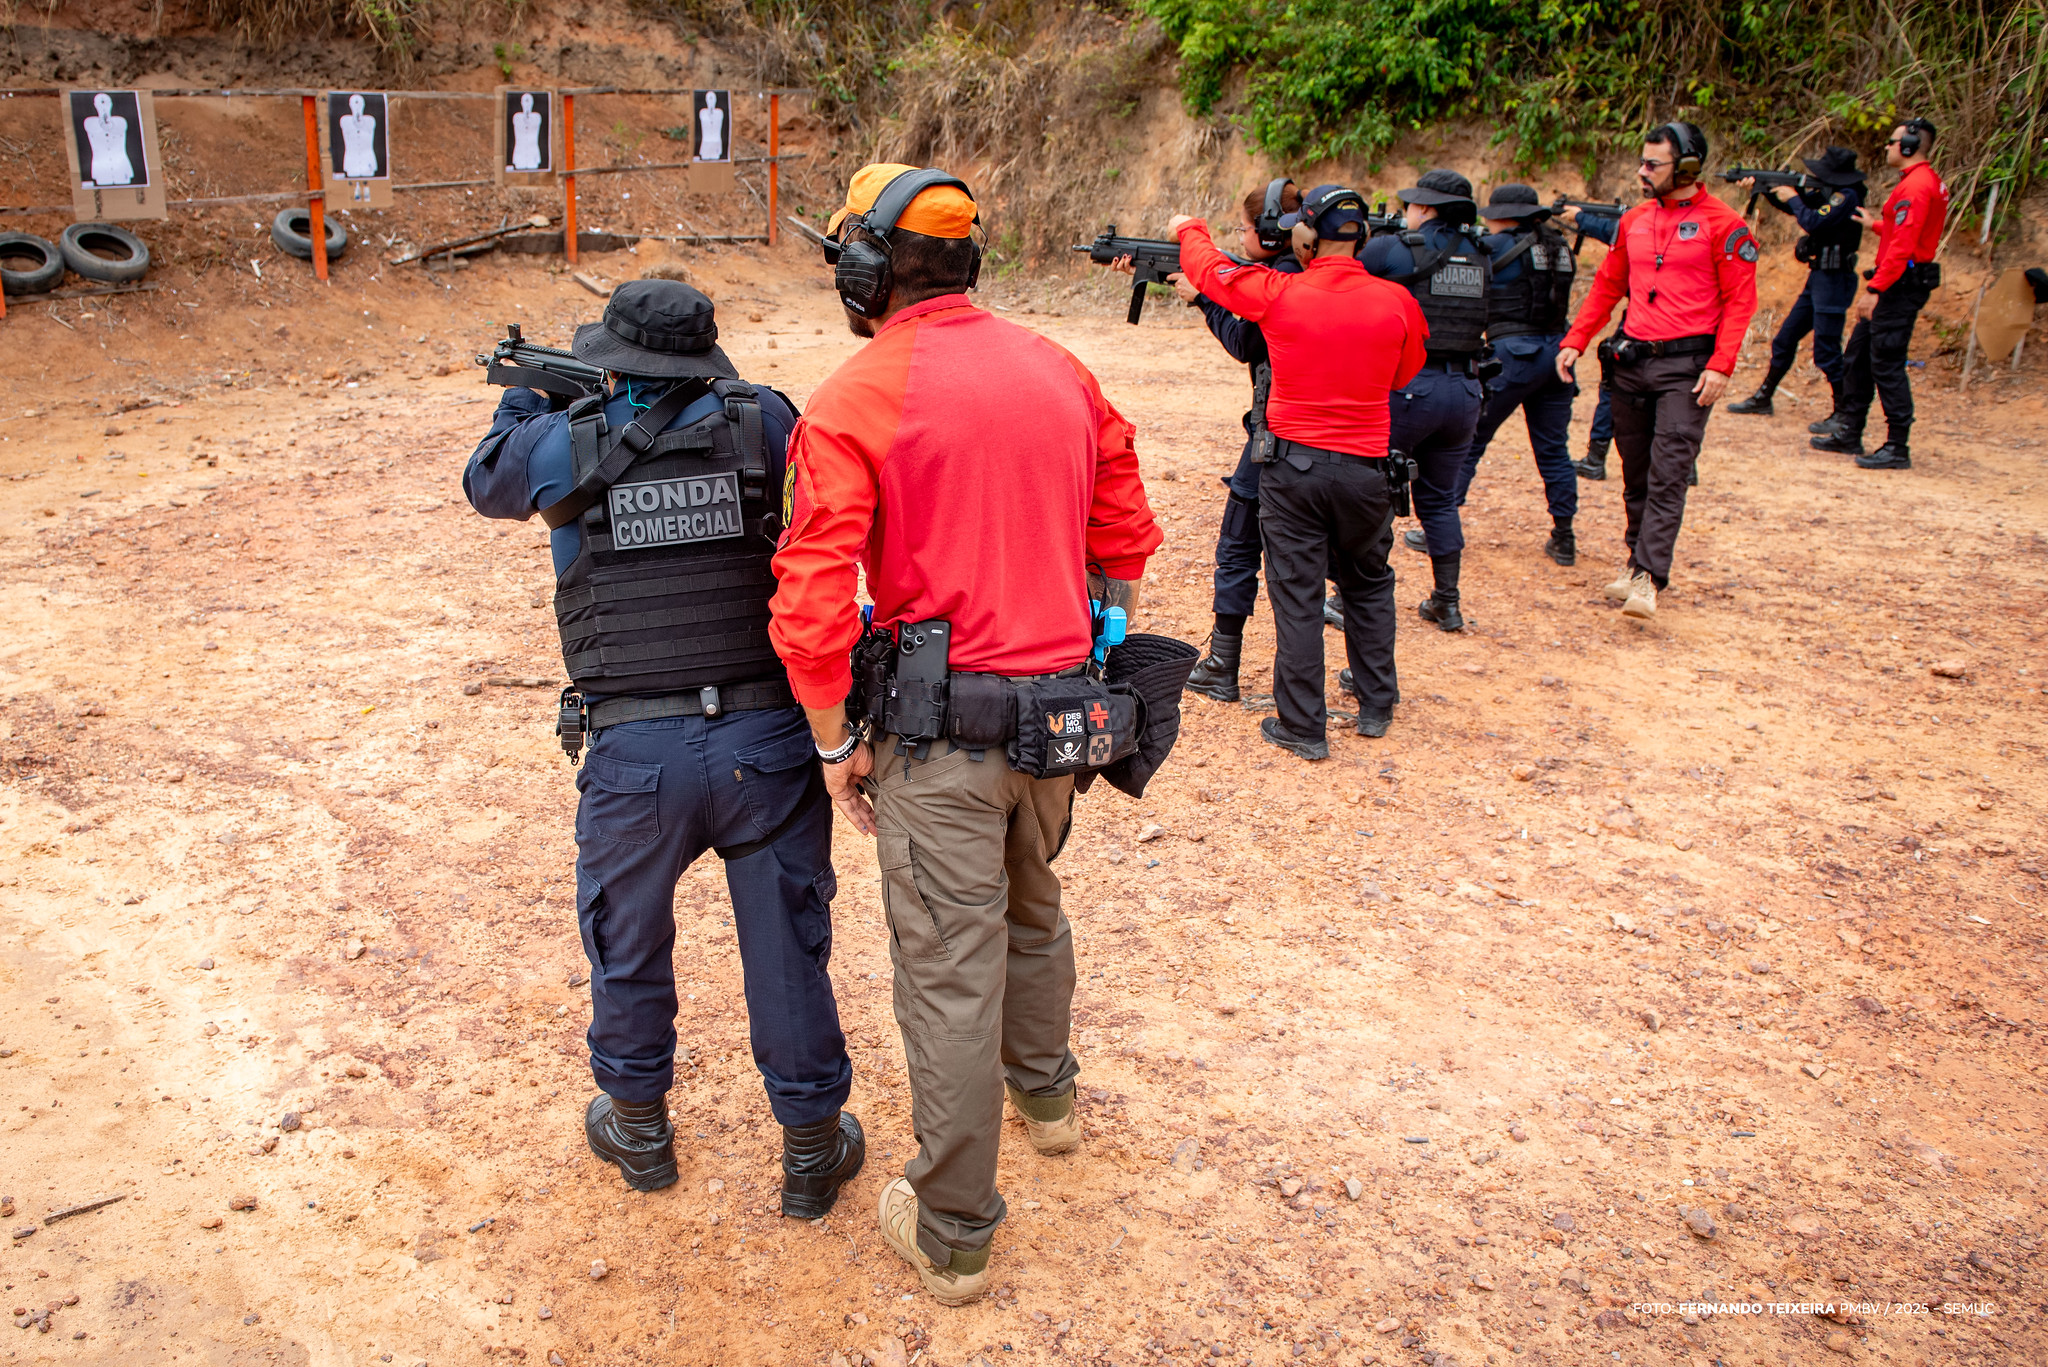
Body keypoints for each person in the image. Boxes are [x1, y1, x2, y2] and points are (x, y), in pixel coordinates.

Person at [769, 164, 1161, 1305]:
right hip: (1059, 720)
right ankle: (1045, 1097)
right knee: (1031, 903)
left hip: (939, 739)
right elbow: (1124, 529)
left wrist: (834, 739)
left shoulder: (855, 393)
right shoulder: (1059, 367)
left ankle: (951, 1228)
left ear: (862, 267)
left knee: (947, 971)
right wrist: (1096, 631)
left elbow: (808, 595)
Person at [461, 280, 868, 1216]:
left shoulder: (565, 441)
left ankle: (639, 1128)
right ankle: (810, 1145)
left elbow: (488, 479)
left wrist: (530, 394)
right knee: (786, 941)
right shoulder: (765, 418)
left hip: (635, 748)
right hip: (767, 738)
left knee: (626, 933)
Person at [1174, 185, 1427, 755]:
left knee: (1297, 593)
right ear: (1362, 237)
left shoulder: (1278, 292)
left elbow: (1210, 271)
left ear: (1305, 238)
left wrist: (1189, 226)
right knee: (1368, 583)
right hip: (1368, 471)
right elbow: (1404, 376)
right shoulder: (1397, 303)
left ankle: (1302, 725)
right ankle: (1376, 703)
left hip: (1294, 469)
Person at [1557, 121, 1759, 620]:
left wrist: (1722, 365)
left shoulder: (1726, 225)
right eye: (1642, 162)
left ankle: (1649, 576)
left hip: (1687, 367)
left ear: (1687, 166)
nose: (1641, 172)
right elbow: (1608, 285)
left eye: (1653, 164)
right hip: (1632, 361)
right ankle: (1635, 562)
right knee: (1635, 471)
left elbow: (1740, 301)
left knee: (1670, 472)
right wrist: (1576, 340)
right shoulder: (1635, 220)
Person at [1358, 170, 1491, 632]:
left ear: (1427, 209)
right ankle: (1446, 601)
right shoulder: (1482, 254)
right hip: (1466, 390)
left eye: (1414, 205)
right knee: (1439, 500)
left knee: (1373, 493)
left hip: (1411, 387)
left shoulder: (1395, 250)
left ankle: (1348, 597)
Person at [1812, 117, 1948, 469]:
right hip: (1898, 280)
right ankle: (1850, 430)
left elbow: (1903, 248)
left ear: (1907, 146)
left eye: (1892, 141)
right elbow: (1904, 232)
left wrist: (1875, 289)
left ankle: (1897, 446)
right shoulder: (1919, 183)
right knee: (1858, 357)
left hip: (1898, 285)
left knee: (1886, 364)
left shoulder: (1915, 187)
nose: (1887, 147)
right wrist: (1873, 223)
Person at [1462, 184, 1581, 565]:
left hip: (1514, 354)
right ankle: (1564, 535)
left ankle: (1439, 524)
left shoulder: (1496, 247)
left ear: (1503, 214)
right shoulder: (1558, 245)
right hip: (1559, 353)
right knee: (1553, 449)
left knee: (1469, 439)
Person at [1726, 147, 1866, 417]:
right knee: (1784, 339)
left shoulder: (1847, 196)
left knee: (1826, 351)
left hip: (1835, 278)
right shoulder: (1836, 194)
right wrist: (1766, 189)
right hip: (1821, 276)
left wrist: (1792, 197)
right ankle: (1764, 397)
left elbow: (1812, 220)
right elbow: (1802, 206)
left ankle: (1845, 414)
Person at [1558, 202, 1622, 480]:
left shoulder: (1645, 223)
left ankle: (1596, 458)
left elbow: (1615, 231)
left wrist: (1581, 218)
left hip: (1657, 325)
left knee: (1612, 385)